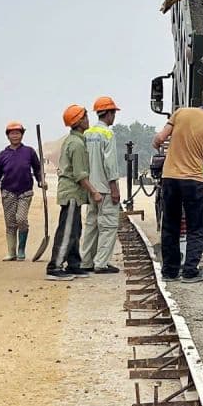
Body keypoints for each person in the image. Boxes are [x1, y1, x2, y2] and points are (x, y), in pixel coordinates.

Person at [152, 92, 203, 283]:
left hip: (170, 178)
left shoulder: (181, 112)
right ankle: (190, 272)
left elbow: (159, 139)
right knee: (196, 227)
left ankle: (169, 272)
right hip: (193, 181)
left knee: (170, 226)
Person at [45, 104, 96, 281]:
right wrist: (94, 192)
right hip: (72, 193)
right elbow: (80, 174)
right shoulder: (76, 144)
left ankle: (74, 264)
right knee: (67, 230)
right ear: (78, 121)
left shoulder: (75, 140)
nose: (88, 120)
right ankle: (55, 267)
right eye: (85, 117)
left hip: (74, 193)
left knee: (75, 229)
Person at [0, 120, 45, 261]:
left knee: (21, 219)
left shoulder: (29, 152)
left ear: (22, 135)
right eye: (12, 133)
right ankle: (11, 252)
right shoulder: (3, 155)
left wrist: (41, 181)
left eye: (18, 133)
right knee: (10, 223)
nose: (15, 136)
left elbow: (38, 169)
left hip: (25, 192)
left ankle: (21, 249)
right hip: (8, 192)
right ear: (8, 136)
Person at [80, 95, 124, 275]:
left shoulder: (87, 134)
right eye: (114, 113)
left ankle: (86, 261)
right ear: (109, 113)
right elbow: (110, 163)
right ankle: (101, 263)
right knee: (108, 226)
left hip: (91, 188)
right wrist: (114, 188)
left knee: (91, 224)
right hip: (105, 188)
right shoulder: (108, 134)